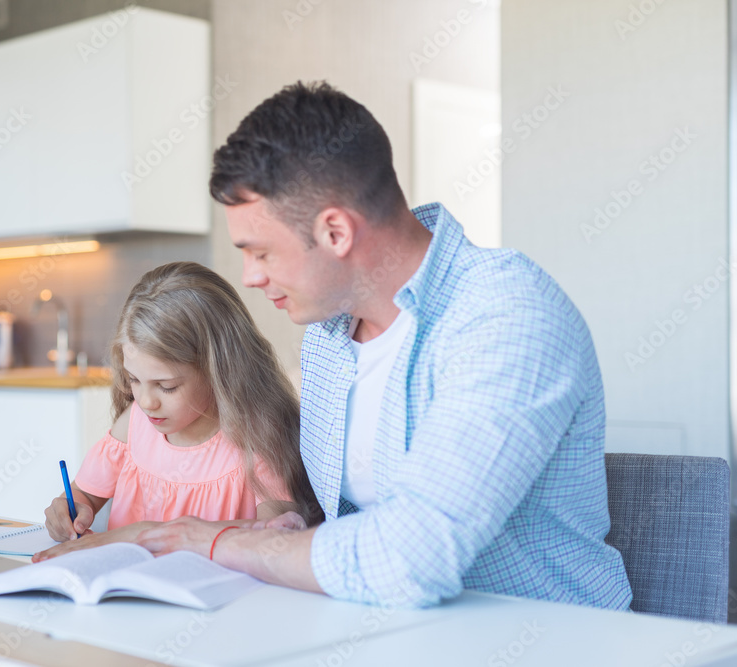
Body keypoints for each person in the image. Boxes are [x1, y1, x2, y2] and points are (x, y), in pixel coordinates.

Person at [134, 81, 634, 611]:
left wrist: (218, 541)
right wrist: (295, 525)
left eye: (260, 252)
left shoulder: (506, 315)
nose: (250, 277)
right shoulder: (328, 336)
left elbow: (409, 560)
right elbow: (352, 515)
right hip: (386, 628)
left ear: (335, 232)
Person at [33, 261, 322, 562]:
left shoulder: (257, 437)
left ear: (220, 370)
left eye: (166, 386)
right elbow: (84, 495)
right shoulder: (133, 424)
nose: (146, 402)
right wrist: (70, 507)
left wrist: (149, 533)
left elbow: (276, 534)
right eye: (134, 380)